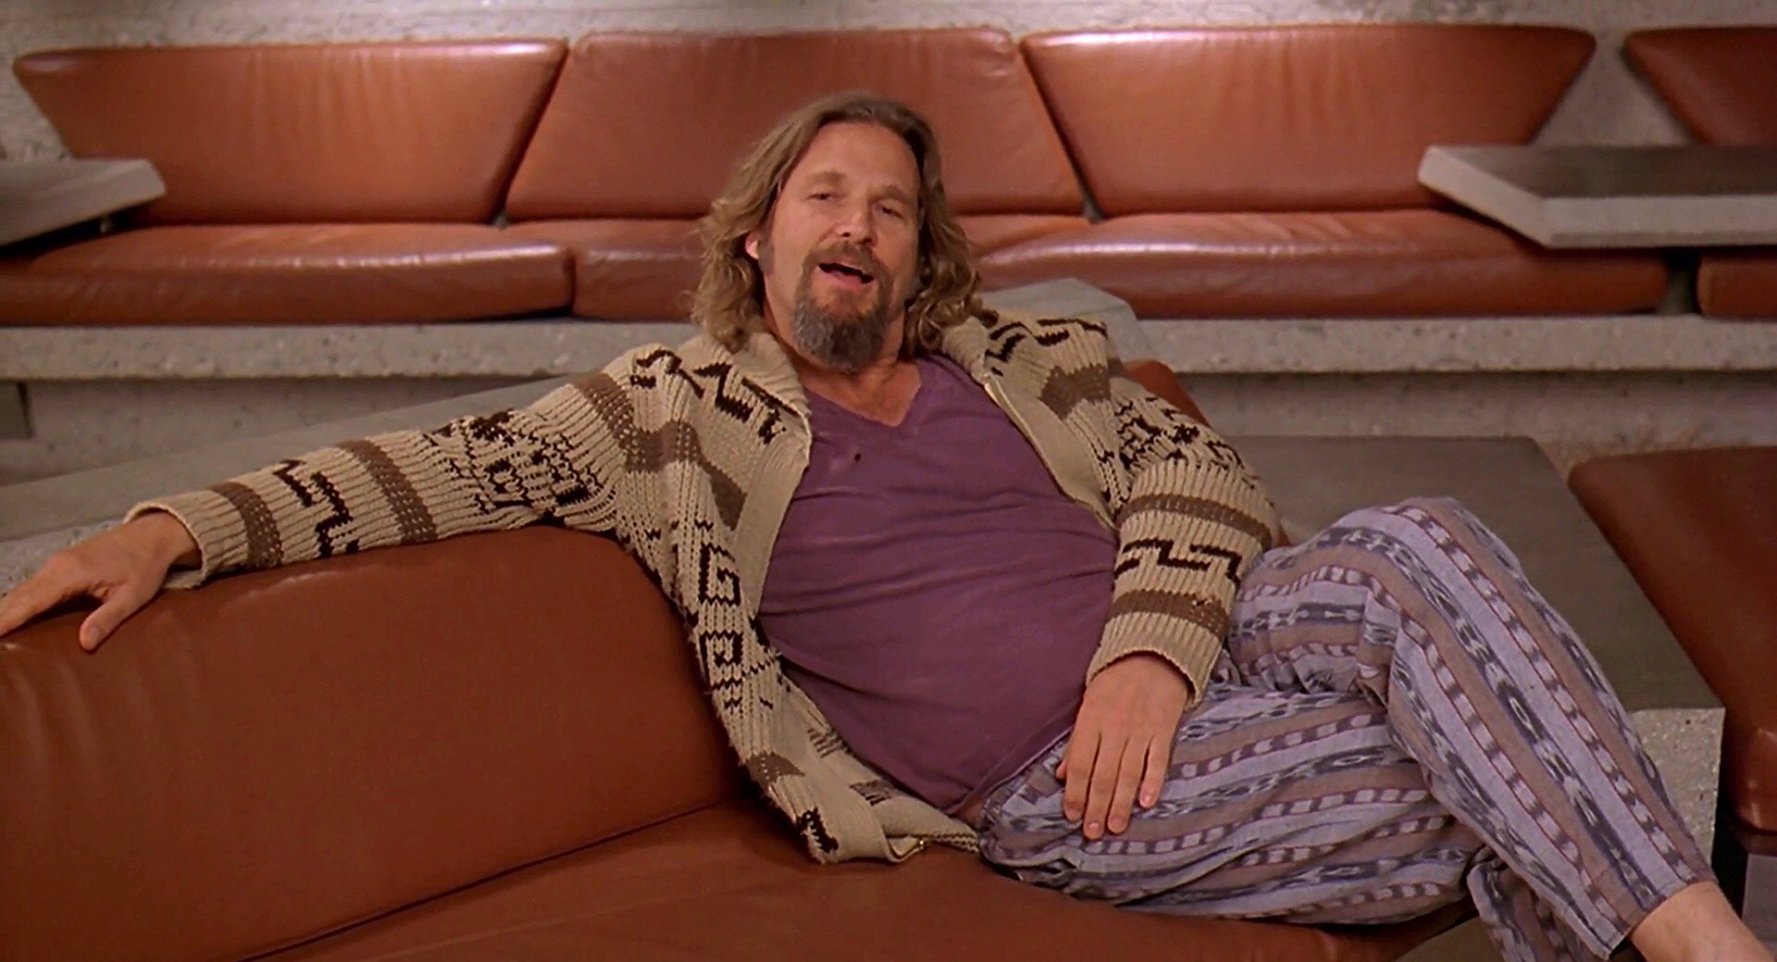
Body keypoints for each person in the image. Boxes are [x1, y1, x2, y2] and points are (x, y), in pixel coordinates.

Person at [0, 92, 1765, 962]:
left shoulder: (1019, 356)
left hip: (1206, 658)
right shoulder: (662, 414)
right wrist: (170, 531)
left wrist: (1151, 649)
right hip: (1056, 783)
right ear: (757, 235)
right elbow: (417, 469)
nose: (857, 226)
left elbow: (1197, 475)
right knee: (1484, 756)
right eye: (824, 196)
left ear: (920, 258)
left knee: (1417, 540)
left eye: (893, 209)